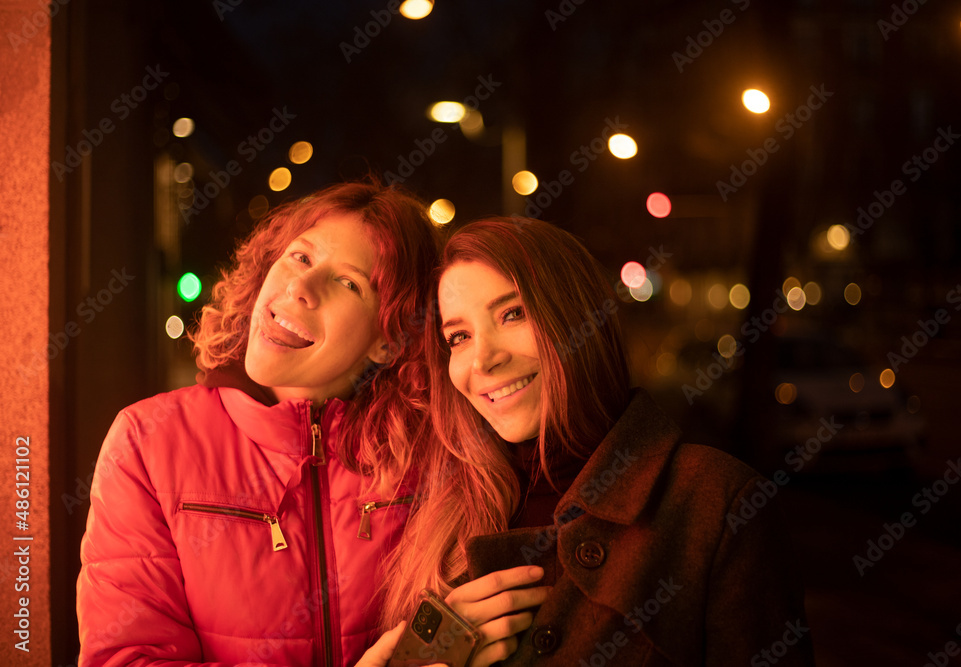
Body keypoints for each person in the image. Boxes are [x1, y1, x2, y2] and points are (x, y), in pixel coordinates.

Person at [378, 216, 815, 665]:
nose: (483, 359)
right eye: (459, 336)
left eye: (513, 313)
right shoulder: (440, 515)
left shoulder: (716, 499)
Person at [78, 179, 446, 666]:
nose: (300, 287)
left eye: (348, 282)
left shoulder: (435, 453)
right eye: (300, 257)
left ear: (390, 339)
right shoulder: (148, 441)